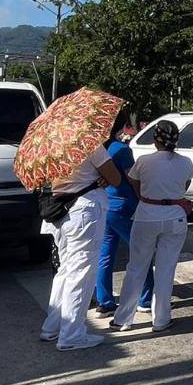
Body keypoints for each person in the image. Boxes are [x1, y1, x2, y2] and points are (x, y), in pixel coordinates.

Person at [111, 120, 193, 334]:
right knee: (166, 270)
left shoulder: (143, 161)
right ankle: (161, 319)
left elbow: (135, 184)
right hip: (175, 216)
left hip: (147, 214)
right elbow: (184, 186)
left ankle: (123, 319)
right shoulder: (185, 162)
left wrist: (147, 197)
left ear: (155, 139)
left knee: (136, 267)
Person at [39, 141, 121, 351]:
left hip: (59, 210)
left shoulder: (48, 146)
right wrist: (98, 178)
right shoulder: (87, 142)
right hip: (83, 210)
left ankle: (53, 326)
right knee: (81, 274)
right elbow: (115, 178)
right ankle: (71, 335)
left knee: (65, 270)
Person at [94, 116, 153, 317]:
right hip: (125, 205)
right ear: (119, 127)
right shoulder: (121, 149)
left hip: (106, 204)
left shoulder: (99, 149)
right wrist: (143, 198)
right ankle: (145, 299)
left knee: (105, 254)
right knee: (141, 251)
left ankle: (104, 300)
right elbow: (132, 178)